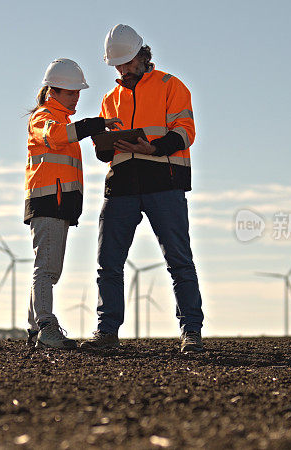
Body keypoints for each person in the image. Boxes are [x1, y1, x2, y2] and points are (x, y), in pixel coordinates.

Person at [80, 24, 205, 352]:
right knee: (108, 262)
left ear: (141, 55)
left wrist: (155, 148)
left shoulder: (170, 85)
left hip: (164, 182)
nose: (121, 69)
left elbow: (185, 130)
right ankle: (106, 332)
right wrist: (103, 146)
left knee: (179, 260)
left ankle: (191, 331)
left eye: (125, 62)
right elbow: (104, 152)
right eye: (117, 64)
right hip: (120, 186)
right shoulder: (110, 99)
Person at [24, 58, 122, 349]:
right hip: (48, 203)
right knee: (48, 269)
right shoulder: (45, 118)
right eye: (71, 92)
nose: (77, 97)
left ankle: (35, 330)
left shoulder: (62, 120)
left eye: (78, 92)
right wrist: (94, 125)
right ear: (53, 91)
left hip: (56, 204)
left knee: (47, 267)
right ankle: (45, 327)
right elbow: (55, 138)